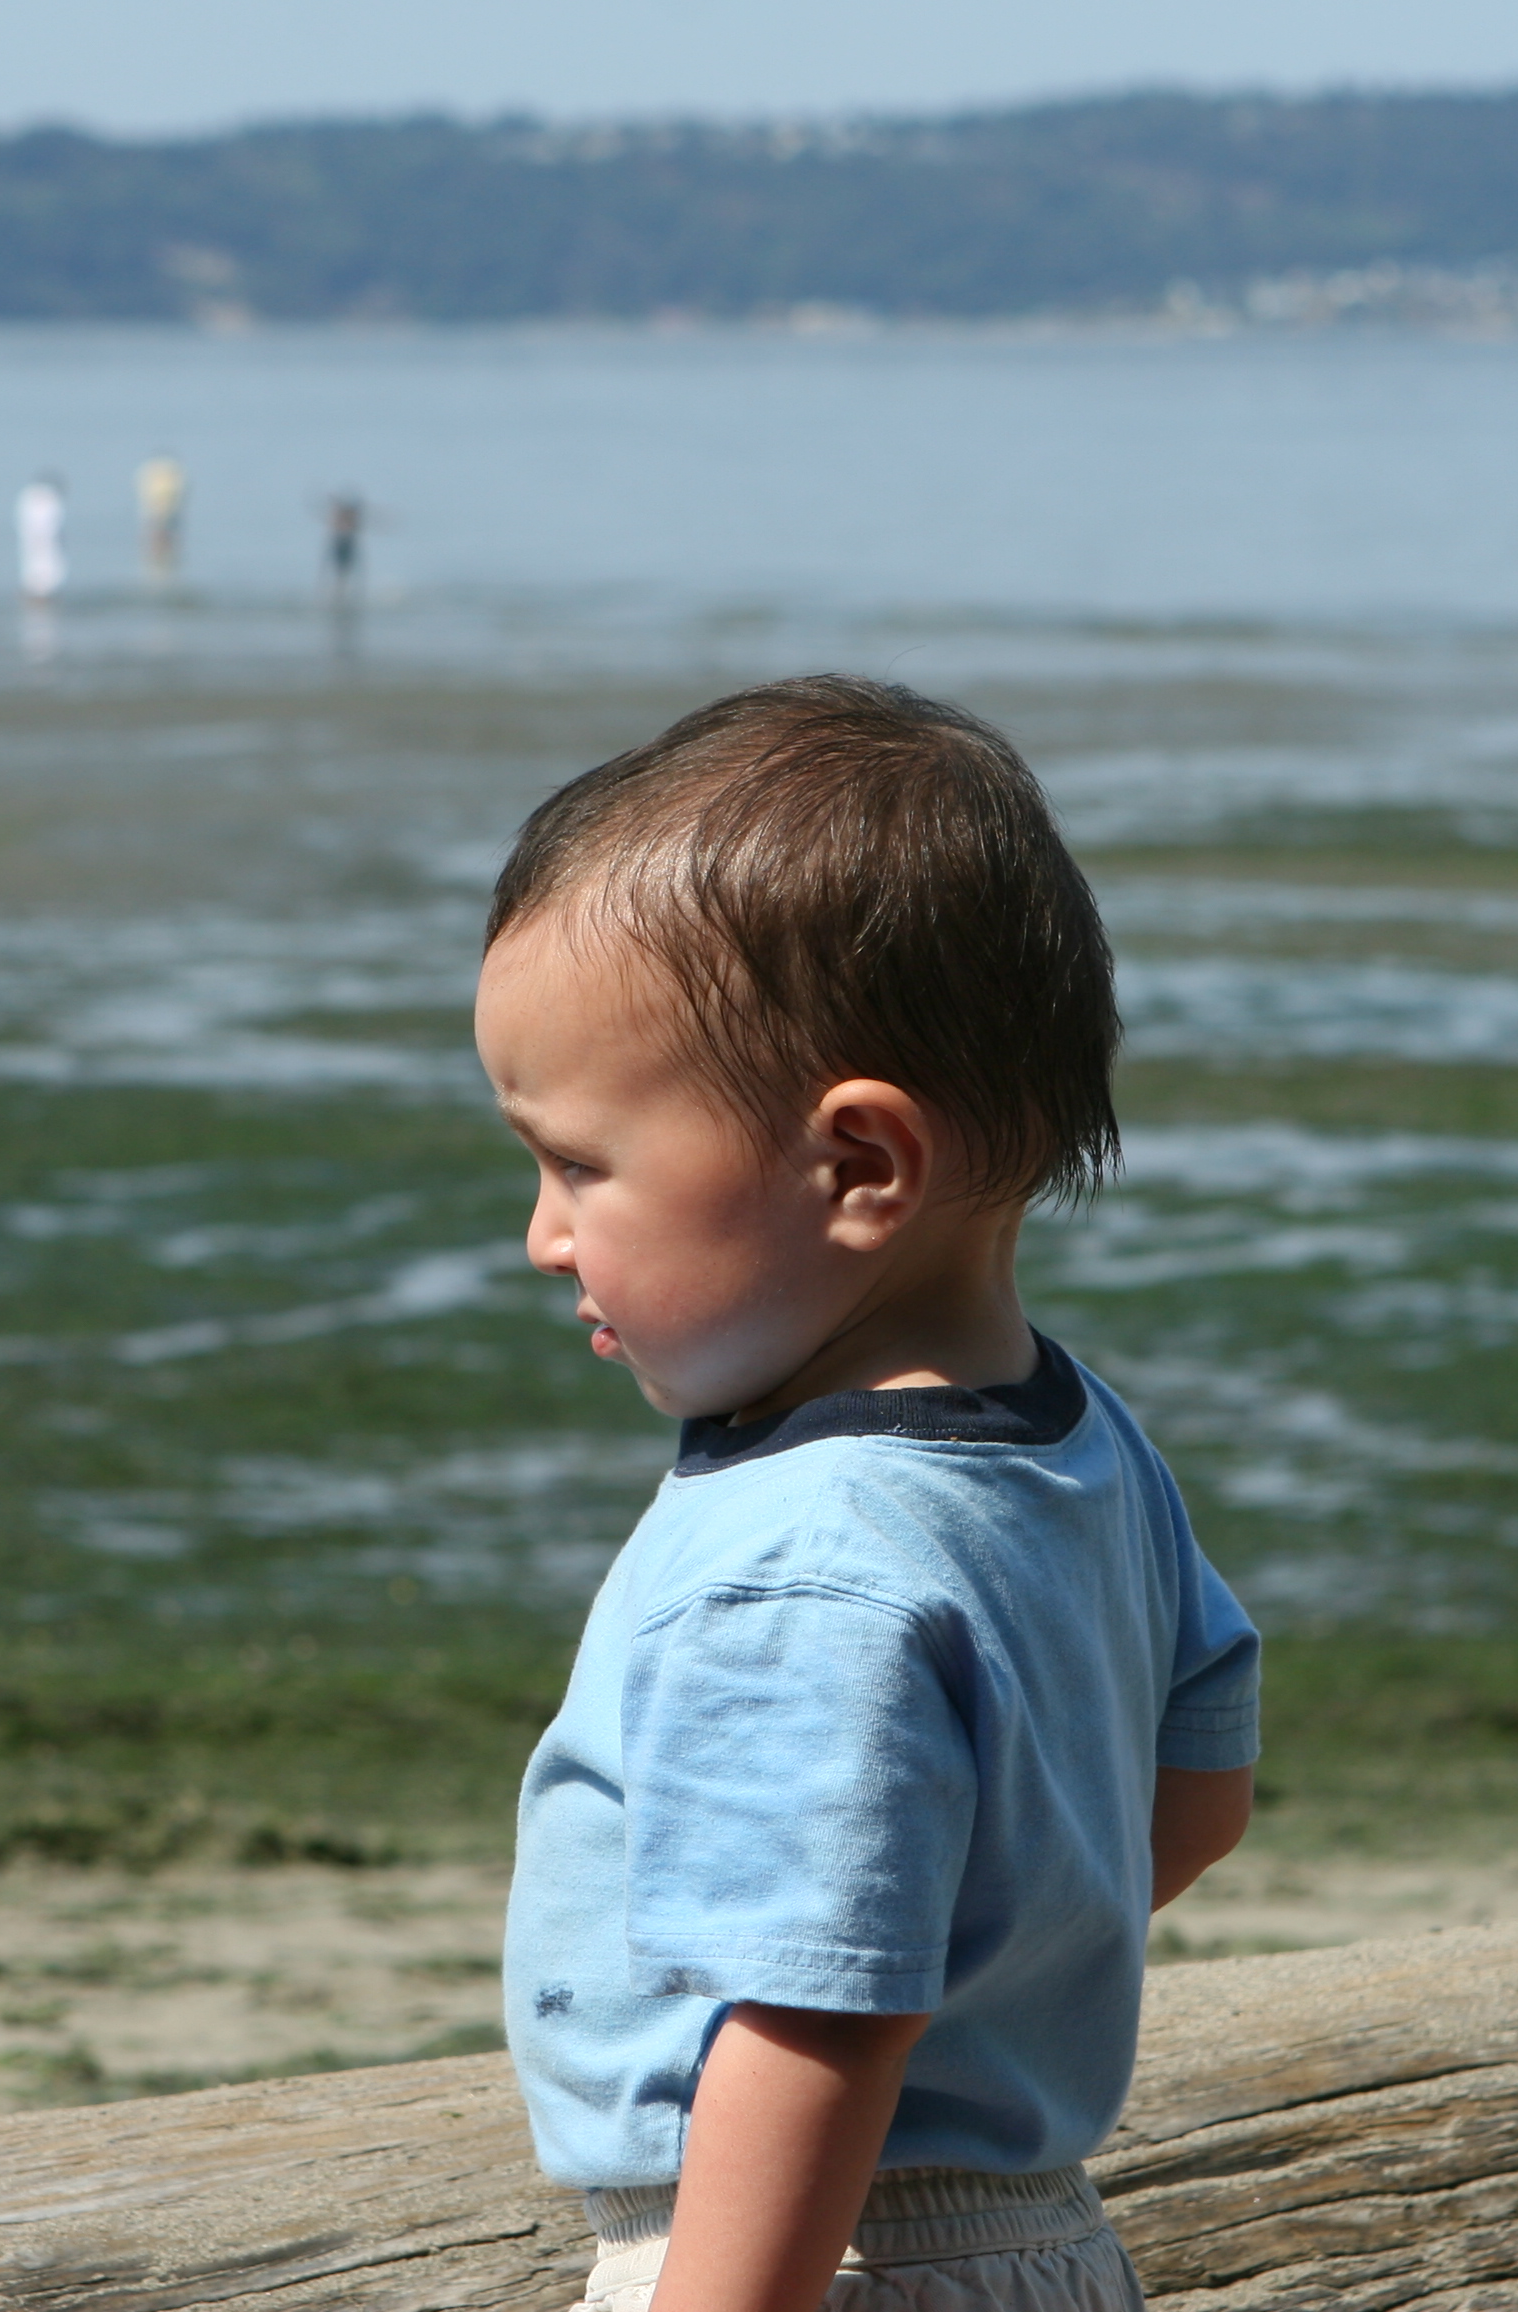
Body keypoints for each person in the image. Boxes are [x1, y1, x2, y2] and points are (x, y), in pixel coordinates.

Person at [477, 677, 1262, 2312]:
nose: (543, 1236)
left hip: (812, 2259)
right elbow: (1196, 1795)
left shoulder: (796, 1566)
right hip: (1039, 2240)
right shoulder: (1080, 1447)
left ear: (857, 1167)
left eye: (578, 1165)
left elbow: (810, 2028)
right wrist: (982, 1960)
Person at [17, 472, 68, 602]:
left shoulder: (28, 496)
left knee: (37, 569)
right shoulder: (48, 499)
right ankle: (40, 597)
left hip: (35, 547)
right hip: (43, 548)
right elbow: (52, 528)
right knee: (44, 571)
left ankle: (37, 596)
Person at [138, 453, 187, 581]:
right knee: (161, 531)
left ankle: (163, 558)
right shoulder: (171, 472)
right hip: (159, 509)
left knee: (163, 530)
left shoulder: (154, 471)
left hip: (163, 509)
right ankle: (161, 557)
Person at [323, 488, 365, 599]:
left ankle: (344, 593)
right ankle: (337, 593)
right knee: (339, 570)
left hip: (347, 543)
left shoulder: (351, 515)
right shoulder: (341, 514)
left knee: (346, 570)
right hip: (340, 543)